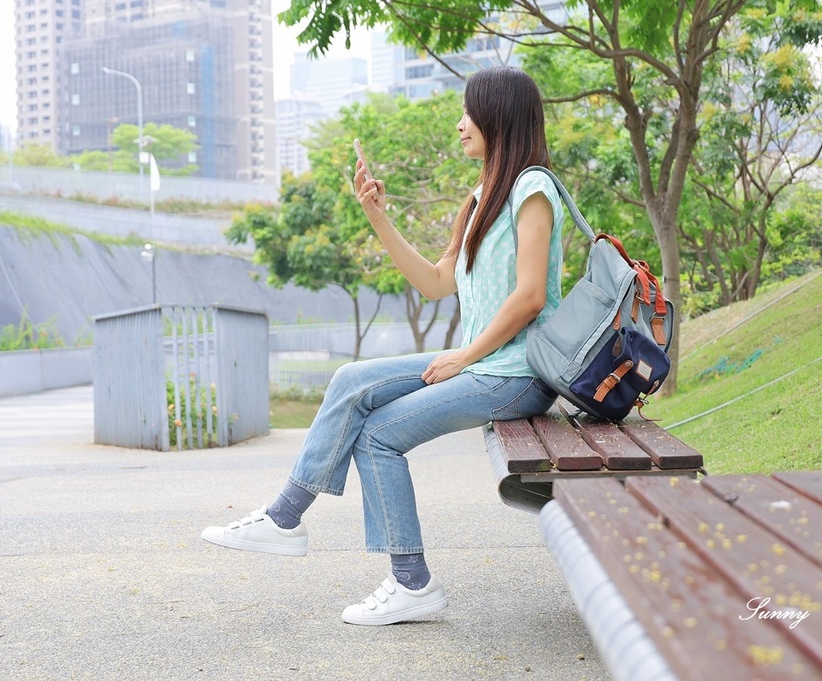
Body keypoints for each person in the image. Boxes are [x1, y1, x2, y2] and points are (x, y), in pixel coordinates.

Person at [201, 66, 564, 626]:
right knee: (351, 380)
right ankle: (287, 520)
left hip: (514, 375)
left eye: (470, 113)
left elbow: (531, 296)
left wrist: (463, 356)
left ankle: (406, 581)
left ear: (501, 117)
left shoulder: (532, 189)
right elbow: (436, 283)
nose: (460, 124)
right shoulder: (481, 199)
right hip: (486, 364)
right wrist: (376, 214)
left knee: (377, 436)